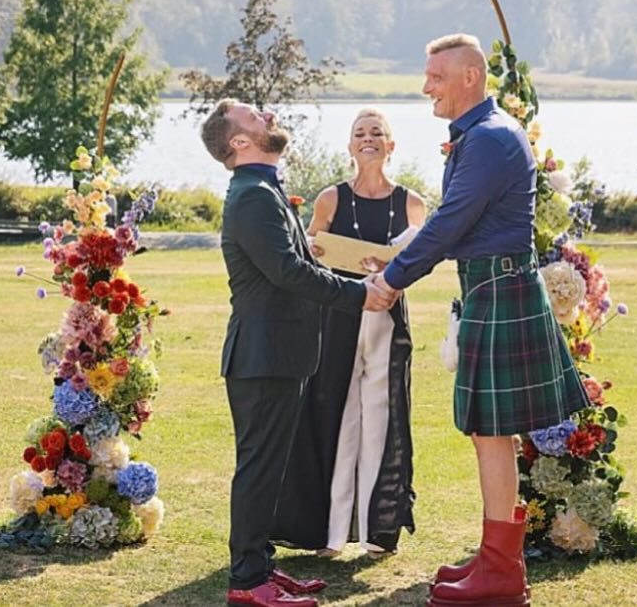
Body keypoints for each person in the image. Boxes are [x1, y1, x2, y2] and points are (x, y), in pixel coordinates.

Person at [370, 35, 589, 607]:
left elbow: (450, 223)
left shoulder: (490, 139)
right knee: (489, 430)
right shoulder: (484, 136)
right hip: (493, 286)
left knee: (491, 429)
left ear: (470, 77)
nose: (426, 87)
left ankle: (501, 572)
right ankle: (499, 561)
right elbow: (453, 225)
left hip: (500, 288)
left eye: (436, 75)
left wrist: (393, 279)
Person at [199, 99, 397, 607]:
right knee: (259, 469)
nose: (266, 116)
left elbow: (299, 262)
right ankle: (247, 582)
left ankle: (261, 564)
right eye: (253, 117)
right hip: (262, 357)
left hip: (279, 354)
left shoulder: (263, 189)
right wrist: (360, 294)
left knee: (269, 467)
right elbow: (289, 273)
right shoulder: (252, 197)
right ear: (239, 142)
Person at [271, 109, 426, 557]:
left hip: (388, 320)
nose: (368, 139)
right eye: (360, 133)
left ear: (391, 145)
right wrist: (322, 251)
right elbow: (310, 255)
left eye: (377, 132)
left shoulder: (411, 203)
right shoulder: (330, 199)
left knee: (383, 415)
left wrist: (393, 270)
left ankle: (378, 530)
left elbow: (419, 261)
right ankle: (330, 533)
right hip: (338, 317)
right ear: (350, 145)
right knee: (334, 411)